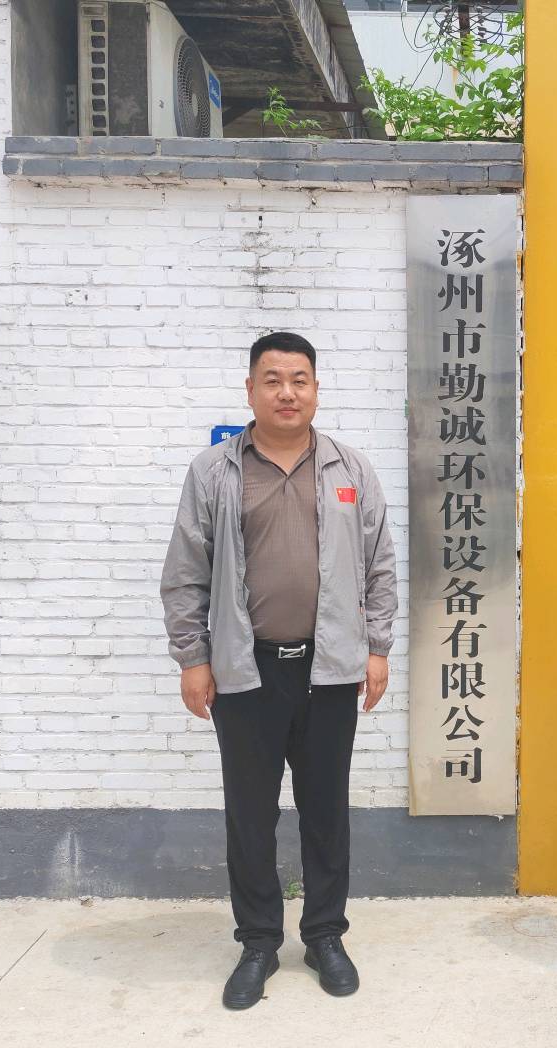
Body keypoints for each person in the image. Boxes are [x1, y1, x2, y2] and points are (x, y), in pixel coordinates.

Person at [160, 331, 397, 1009]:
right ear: (250, 390)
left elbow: (379, 565)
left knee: (326, 812)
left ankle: (324, 935)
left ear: (316, 389)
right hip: (245, 672)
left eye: (299, 379)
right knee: (250, 814)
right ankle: (259, 941)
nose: (287, 392)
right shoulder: (214, 472)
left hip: (330, 671)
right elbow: (185, 572)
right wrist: (193, 658)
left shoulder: (351, 469)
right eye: (273, 380)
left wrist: (377, 647)